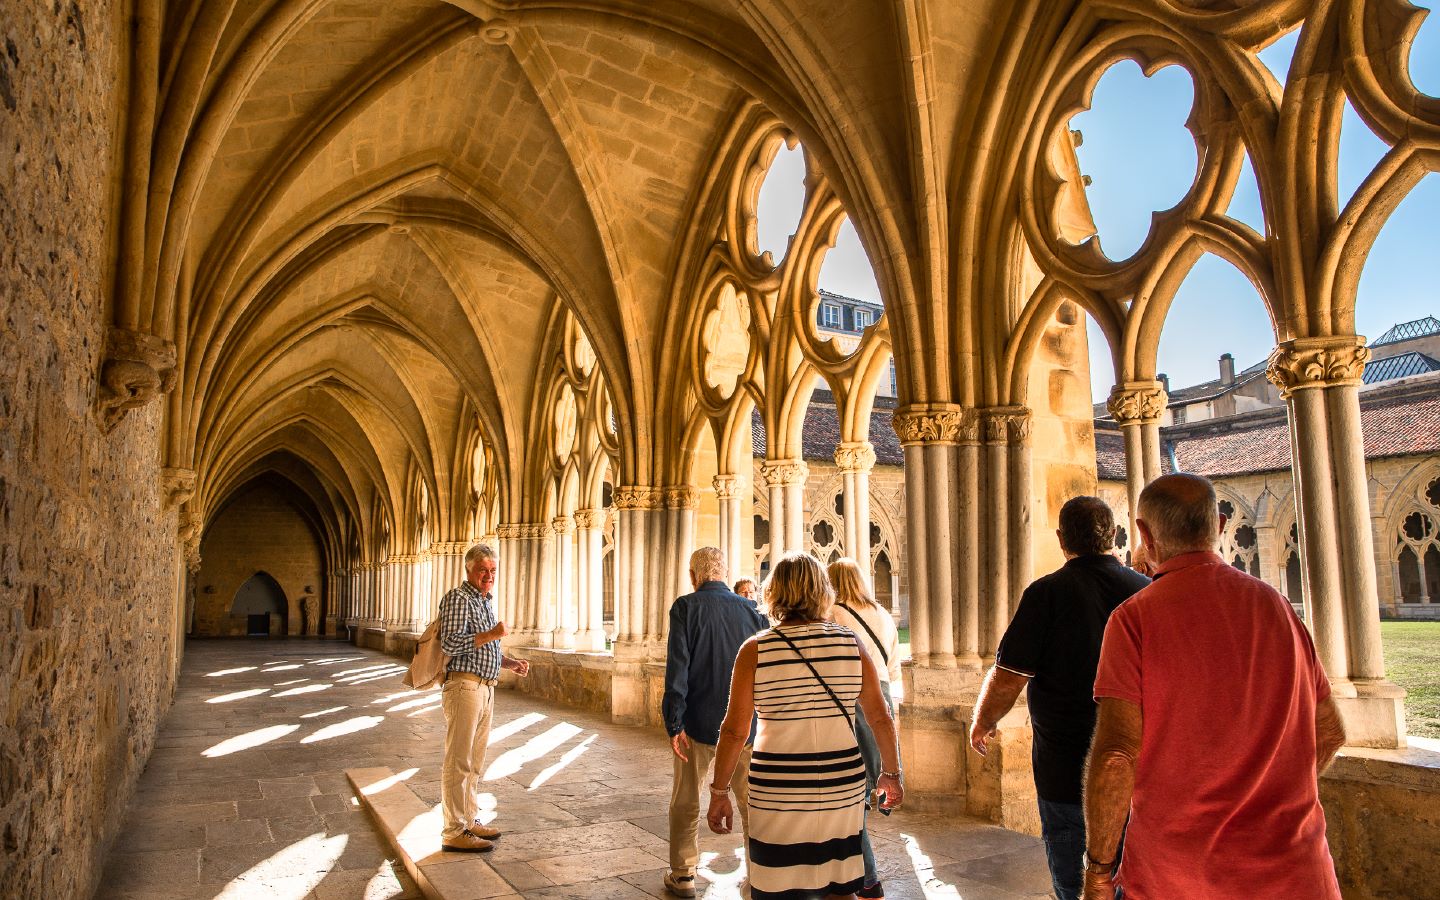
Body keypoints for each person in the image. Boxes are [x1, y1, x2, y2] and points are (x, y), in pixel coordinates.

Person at [1082, 474, 1345, 899]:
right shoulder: (1278, 608)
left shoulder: (1134, 620)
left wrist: (1098, 870)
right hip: (1297, 874)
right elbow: (1330, 732)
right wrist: (1265, 795)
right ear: (1220, 527)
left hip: (1181, 878)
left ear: (1144, 534)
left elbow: (1116, 757)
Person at [968, 497, 1148, 900]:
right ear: (1115, 535)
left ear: (1062, 539)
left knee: (1075, 883)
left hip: (1067, 769)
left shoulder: (1047, 593)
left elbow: (1009, 676)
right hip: (1137, 770)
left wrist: (982, 721)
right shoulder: (1145, 591)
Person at [707, 552, 903, 900]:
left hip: (778, 789)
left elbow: (735, 731)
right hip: (841, 786)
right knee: (840, 890)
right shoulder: (850, 645)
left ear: (774, 593)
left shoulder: (755, 650)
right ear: (823, 592)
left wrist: (719, 791)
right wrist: (891, 772)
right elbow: (879, 717)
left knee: (777, 886)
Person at [663, 547, 769, 897]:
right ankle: (759, 878)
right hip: (746, 727)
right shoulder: (752, 610)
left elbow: (678, 668)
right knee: (752, 803)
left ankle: (683, 875)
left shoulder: (685, 608)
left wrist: (674, 722)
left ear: (694, 576)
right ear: (724, 574)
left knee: (686, 799)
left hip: (697, 722)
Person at [436, 543, 531, 852]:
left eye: (492, 570)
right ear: (468, 570)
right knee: (459, 761)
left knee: (474, 763)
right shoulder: (459, 598)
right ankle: (453, 830)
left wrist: (508, 663)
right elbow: (450, 643)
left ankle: (469, 820)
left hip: (484, 688)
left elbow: (482, 648)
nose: (489, 575)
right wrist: (492, 634)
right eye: (482, 570)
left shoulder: (484, 602)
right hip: (464, 688)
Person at [827, 558, 902, 900]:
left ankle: (868, 880)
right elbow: (893, 666)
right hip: (882, 693)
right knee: (863, 786)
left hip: (852, 696)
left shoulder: (835, 614)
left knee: (849, 796)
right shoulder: (884, 615)